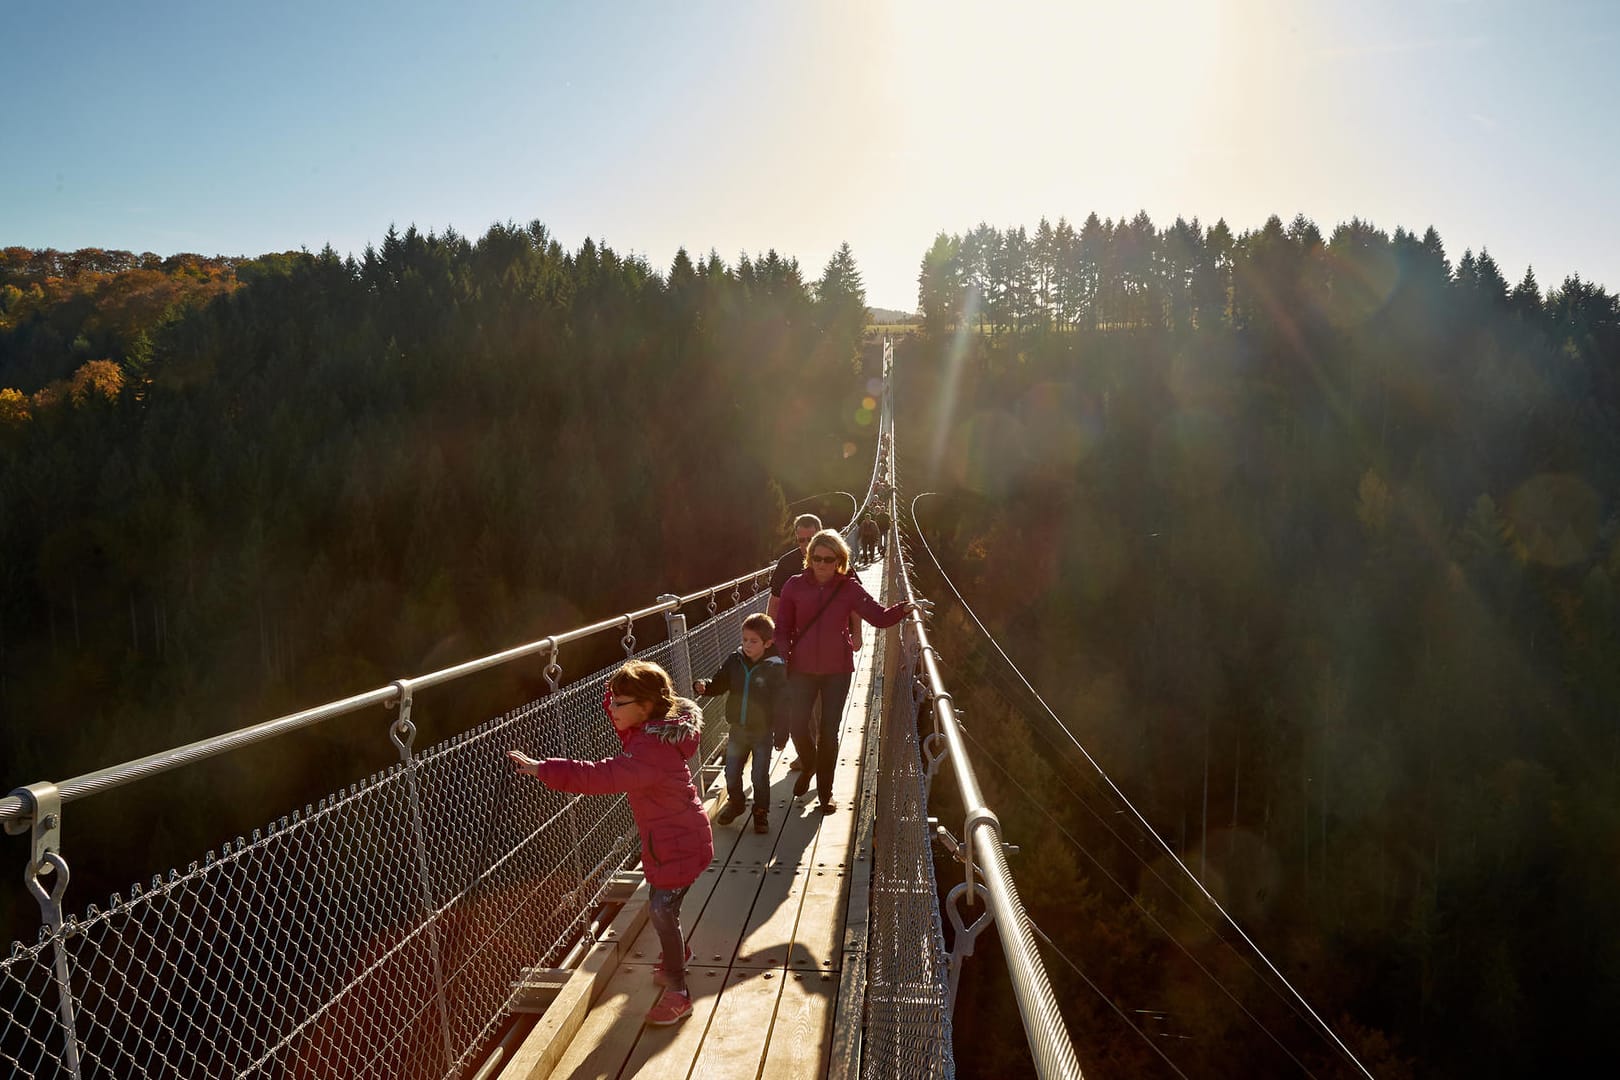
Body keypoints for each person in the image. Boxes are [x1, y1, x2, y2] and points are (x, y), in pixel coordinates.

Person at [507, 661, 711, 1027]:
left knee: (662, 910)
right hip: (677, 839)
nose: (611, 709)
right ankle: (677, 952)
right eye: (612, 702)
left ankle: (679, 992)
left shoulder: (648, 752)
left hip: (677, 846)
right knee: (664, 907)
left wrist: (544, 769)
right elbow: (620, 706)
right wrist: (617, 684)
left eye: (619, 703)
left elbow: (599, 776)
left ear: (645, 706)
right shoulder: (651, 730)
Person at [775, 530, 917, 812]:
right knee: (797, 725)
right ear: (809, 559)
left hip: (837, 671)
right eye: (816, 558)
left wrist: (905, 608)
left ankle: (825, 794)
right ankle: (809, 763)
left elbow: (879, 617)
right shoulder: (794, 586)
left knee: (829, 732)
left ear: (840, 560)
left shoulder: (848, 588)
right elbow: (781, 628)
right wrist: (784, 654)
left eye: (829, 559)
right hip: (801, 669)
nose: (822, 564)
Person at [694, 613, 786, 835]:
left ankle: (761, 812)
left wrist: (782, 732)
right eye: (744, 639)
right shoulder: (734, 661)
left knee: (759, 776)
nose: (747, 645)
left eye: (753, 641)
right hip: (738, 730)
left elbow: (783, 703)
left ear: (768, 643)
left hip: (763, 732)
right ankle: (736, 804)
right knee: (732, 773)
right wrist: (706, 686)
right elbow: (720, 683)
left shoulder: (775, 668)